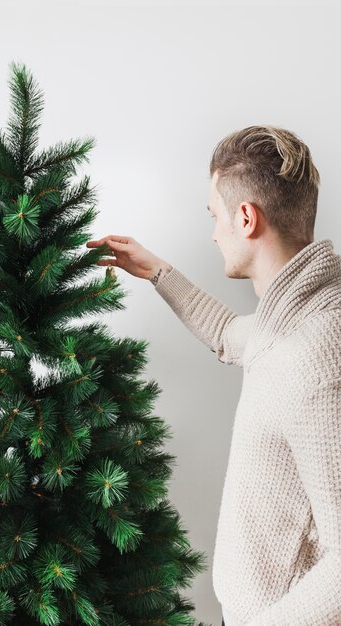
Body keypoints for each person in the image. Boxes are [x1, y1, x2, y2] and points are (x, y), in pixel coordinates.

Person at [86, 125, 341, 626]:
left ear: (246, 218)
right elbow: (228, 334)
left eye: (215, 217)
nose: (213, 233)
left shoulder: (314, 358)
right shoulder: (289, 321)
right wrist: (157, 270)